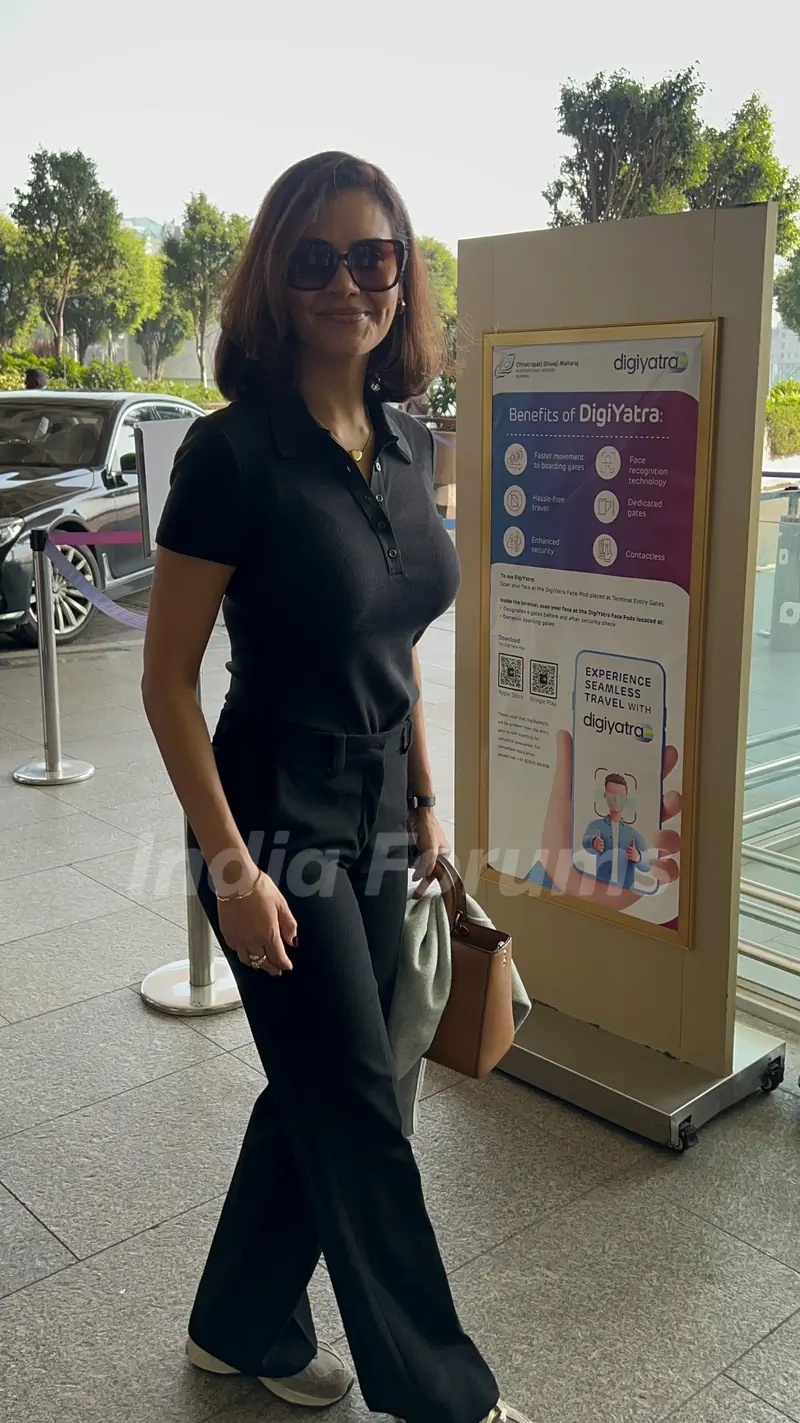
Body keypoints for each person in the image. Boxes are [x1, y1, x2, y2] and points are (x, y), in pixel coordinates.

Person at [142, 152, 529, 1423]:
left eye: (374, 258)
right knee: (359, 1100)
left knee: (330, 1072)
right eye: (316, 258)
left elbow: (393, 637)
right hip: (270, 811)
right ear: (274, 277)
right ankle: (446, 1399)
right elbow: (166, 683)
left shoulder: (408, 444)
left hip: (375, 805)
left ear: (404, 278)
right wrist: (232, 870)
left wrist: (420, 794)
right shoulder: (229, 455)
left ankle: (235, 1323)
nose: (348, 283)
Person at [582, 772, 651, 891]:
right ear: (605, 795)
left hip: (625, 890)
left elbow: (648, 863)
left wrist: (638, 856)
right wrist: (593, 842)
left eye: (620, 796)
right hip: (601, 887)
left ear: (626, 799)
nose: (616, 799)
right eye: (612, 795)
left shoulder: (632, 834)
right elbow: (585, 842)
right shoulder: (596, 825)